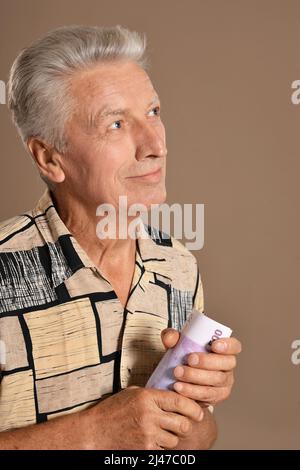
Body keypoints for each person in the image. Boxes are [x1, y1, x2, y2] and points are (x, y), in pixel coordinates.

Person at [0, 25, 242, 449]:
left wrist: (195, 412)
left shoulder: (179, 267)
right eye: (116, 123)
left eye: (153, 111)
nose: (155, 145)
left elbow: (191, 443)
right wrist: (92, 433)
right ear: (49, 157)